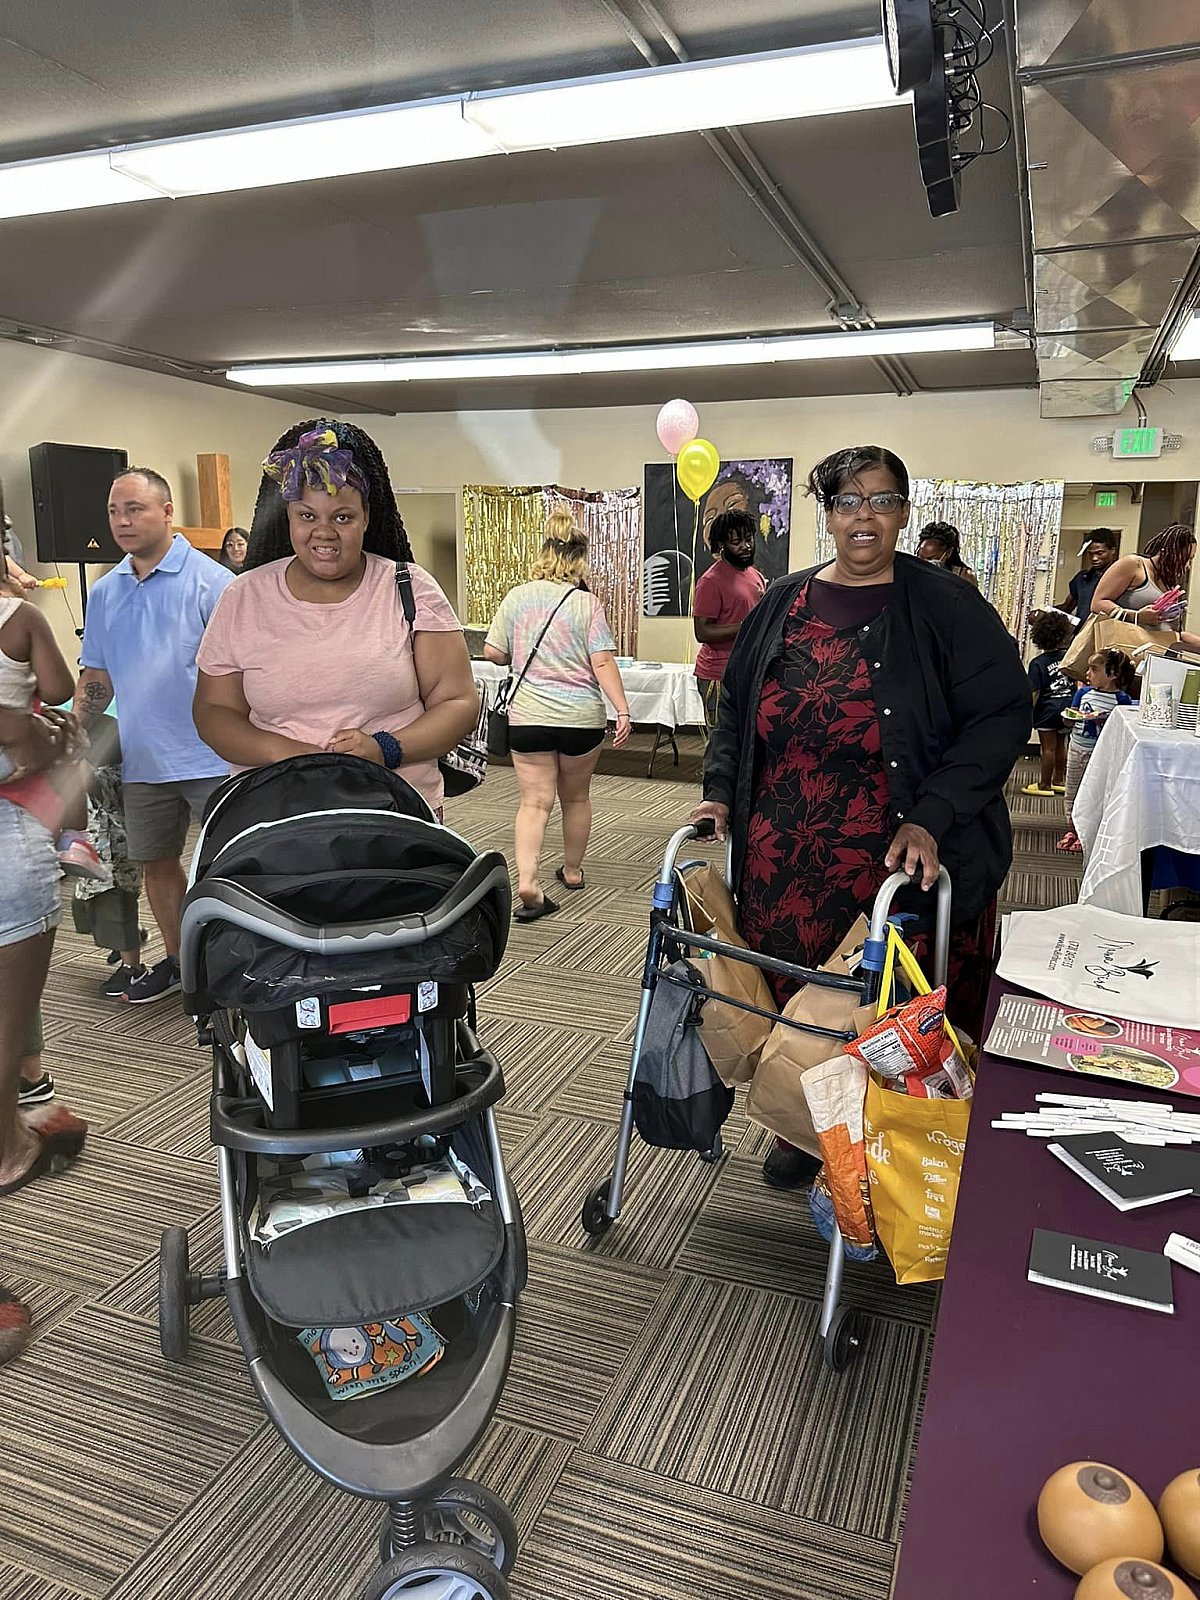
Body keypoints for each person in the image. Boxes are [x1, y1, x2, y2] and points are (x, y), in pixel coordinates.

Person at [692, 445, 1030, 1189]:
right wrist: (719, 788)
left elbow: (1002, 716)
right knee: (798, 999)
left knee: (884, 1005)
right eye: (847, 501)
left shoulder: (945, 604)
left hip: (894, 859)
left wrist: (932, 815)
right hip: (785, 859)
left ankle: (892, 1145)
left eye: (881, 499)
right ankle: (808, 1127)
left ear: (903, 511)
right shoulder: (781, 600)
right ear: (828, 513)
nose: (864, 515)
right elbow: (737, 708)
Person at [194, 419, 477, 822]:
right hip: (277, 815)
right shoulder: (243, 597)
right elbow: (214, 711)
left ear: (366, 517)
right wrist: (290, 755)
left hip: (394, 812)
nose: (323, 532)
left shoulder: (411, 589)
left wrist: (384, 748)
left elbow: (457, 702)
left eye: (342, 517)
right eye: (307, 516)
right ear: (288, 517)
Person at [74, 468, 235, 1003]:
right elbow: (96, 676)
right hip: (144, 759)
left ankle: (238, 961)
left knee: (233, 866)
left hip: (215, 757)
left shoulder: (214, 583)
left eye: (135, 509)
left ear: (167, 513)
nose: (122, 521)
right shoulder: (104, 592)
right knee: (157, 865)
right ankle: (180, 962)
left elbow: (243, 673)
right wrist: (76, 737)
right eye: (114, 511)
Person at [484, 510, 631, 921]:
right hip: (581, 719)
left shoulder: (518, 597)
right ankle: (572, 870)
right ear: (579, 559)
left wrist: (523, 653)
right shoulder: (587, 604)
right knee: (576, 797)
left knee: (534, 802)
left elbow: (493, 652)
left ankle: (528, 881)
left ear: (544, 551)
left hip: (529, 717)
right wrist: (621, 709)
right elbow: (602, 661)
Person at [0, 598, 89, 1200]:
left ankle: (27, 1095)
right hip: (12, 823)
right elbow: (56, 693)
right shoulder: (20, 616)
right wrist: (25, 729)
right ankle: (8, 1152)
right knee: (6, 1017)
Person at [692, 508, 767, 730]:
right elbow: (702, 632)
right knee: (722, 741)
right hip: (719, 675)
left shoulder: (754, 574)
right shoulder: (710, 581)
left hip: (749, 670)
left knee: (748, 738)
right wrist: (746, 626)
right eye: (736, 542)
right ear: (722, 545)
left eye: (748, 539)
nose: (745, 546)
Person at [1060, 648, 1137, 854]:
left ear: (1113, 675)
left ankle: (1087, 833)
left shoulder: (1122, 700)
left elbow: (1122, 728)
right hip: (1077, 748)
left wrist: (1105, 720)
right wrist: (1070, 717)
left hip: (1101, 754)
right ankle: (1071, 830)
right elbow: (1070, 718)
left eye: (1094, 669)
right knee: (1072, 790)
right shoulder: (1083, 693)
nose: (1088, 674)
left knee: (1095, 792)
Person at [1090, 523, 1200, 649]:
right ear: (1170, 552)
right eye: (1186, 559)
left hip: (1156, 651)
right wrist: (1137, 616)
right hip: (1124, 649)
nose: (1187, 566)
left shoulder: (1168, 583)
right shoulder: (1134, 565)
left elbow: (1173, 633)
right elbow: (1097, 604)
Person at [1024, 610, 1075, 798]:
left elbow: (1034, 691)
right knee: (1062, 745)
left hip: (1047, 710)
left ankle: (1044, 784)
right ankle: (1059, 781)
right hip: (1067, 707)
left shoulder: (1037, 663)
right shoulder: (1068, 657)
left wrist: (1028, 713)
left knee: (1048, 748)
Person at [1056, 528, 1120, 618]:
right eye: (1090, 554)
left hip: (1108, 626)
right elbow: (1066, 607)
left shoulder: (1122, 579)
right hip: (1083, 626)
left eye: (1099, 553)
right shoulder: (1082, 579)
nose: (1094, 558)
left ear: (1112, 550)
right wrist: (1045, 613)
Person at [916, 521, 978, 587]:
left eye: (930, 559)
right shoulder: (915, 572)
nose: (924, 563)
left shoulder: (965, 577)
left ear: (948, 553)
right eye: (920, 557)